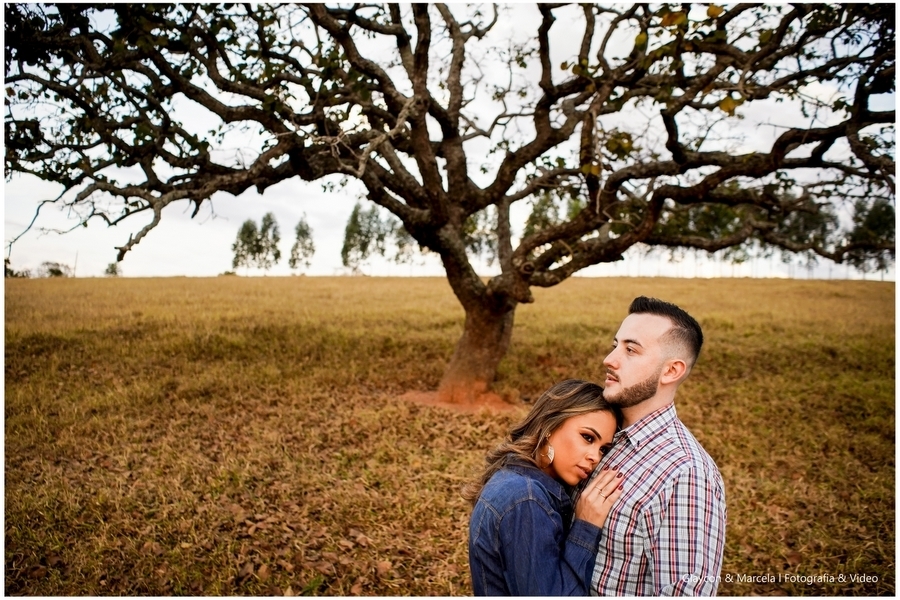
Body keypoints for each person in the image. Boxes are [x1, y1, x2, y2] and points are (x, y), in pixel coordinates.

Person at [588, 296, 727, 596]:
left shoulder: (686, 476)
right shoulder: (599, 433)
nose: (609, 359)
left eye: (630, 350)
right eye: (615, 345)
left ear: (671, 371)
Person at [465, 379, 625, 596]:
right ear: (550, 426)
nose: (595, 457)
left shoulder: (516, 479)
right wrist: (586, 526)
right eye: (587, 438)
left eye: (604, 449)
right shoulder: (527, 500)